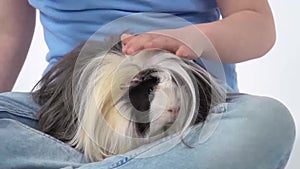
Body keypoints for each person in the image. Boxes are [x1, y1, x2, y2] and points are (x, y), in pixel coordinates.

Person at [0, 0, 296, 169]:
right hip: (70, 119)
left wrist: (193, 38)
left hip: (192, 121)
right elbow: (7, 34)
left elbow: (257, 23)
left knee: (268, 121)